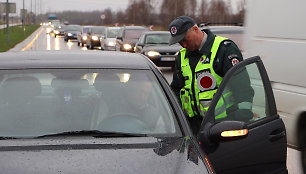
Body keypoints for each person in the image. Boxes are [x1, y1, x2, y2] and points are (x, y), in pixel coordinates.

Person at [168, 16, 254, 134]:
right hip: (192, 129)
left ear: (195, 29)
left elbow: (242, 88)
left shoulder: (224, 49)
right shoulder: (181, 57)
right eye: (179, 42)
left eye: (185, 39)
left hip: (222, 127)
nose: (183, 45)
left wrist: (241, 121)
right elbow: (176, 91)